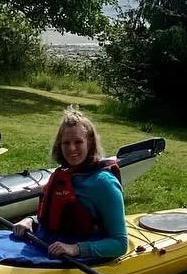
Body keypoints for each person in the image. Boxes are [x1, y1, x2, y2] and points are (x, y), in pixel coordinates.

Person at [11, 108, 128, 262]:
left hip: (75, 256)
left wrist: (75, 249)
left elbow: (120, 244)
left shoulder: (104, 183)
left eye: (78, 142)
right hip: (47, 242)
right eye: (66, 143)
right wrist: (31, 221)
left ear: (90, 143)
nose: (71, 148)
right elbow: (57, 217)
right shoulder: (62, 175)